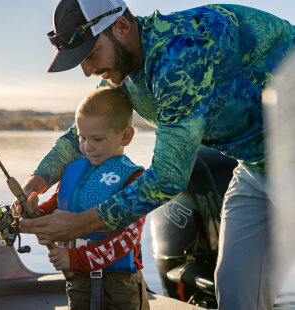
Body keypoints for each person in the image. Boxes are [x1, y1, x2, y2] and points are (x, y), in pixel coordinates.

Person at [17, 0, 295, 309]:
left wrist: (79, 224)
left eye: (92, 54)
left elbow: (168, 177)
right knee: (235, 286)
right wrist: (33, 185)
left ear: (121, 27)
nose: (87, 70)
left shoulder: (180, 54)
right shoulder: (123, 71)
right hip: (257, 166)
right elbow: (77, 136)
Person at [15, 87, 150, 310]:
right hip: (78, 280)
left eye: (97, 139)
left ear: (125, 136)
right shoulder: (73, 170)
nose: (87, 147)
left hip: (120, 285)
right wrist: (35, 213)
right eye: (82, 138)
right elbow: (58, 202)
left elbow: (128, 239)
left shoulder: (133, 178)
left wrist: (76, 259)